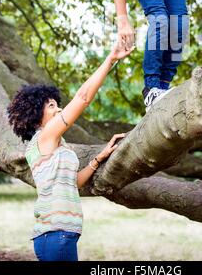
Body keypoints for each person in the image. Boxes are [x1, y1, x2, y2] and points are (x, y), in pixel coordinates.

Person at [7, 42, 134, 262]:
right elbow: (83, 98)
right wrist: (110, 59)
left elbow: (72, 183)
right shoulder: (45, 137)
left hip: (58, 235)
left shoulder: (53, 144)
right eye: (52, 106)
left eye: (58, 105)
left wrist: (98, 158)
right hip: (56, 235)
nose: (59, 110)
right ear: (36, 115)